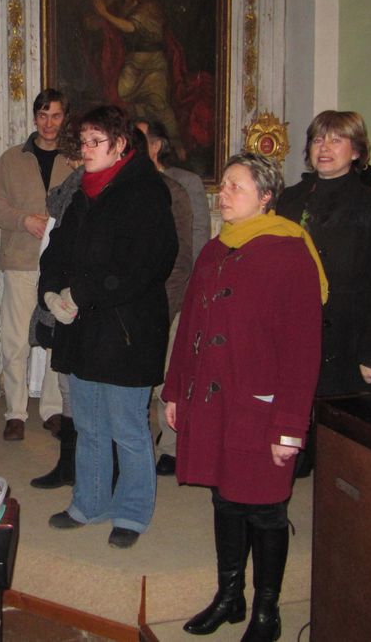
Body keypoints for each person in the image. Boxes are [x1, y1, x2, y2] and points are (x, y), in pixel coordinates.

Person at [164, 152, 325, 640]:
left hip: (262, 407)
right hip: (214, 403)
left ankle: (267, 610)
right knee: (225, 501)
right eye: (225, 185)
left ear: (266, 196)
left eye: (236, 186)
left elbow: (303, 351)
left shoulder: (290, 252)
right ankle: (229, 597)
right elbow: (190, 324)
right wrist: (175, 391)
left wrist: (290, 428)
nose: (224, 194)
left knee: (266, 510)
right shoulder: (216, 249)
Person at [40, 105, 176, 549]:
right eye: (82, 142)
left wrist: (83, 293)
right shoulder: (83, 191)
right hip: (83, 328)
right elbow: (57, 249)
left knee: (128, 429)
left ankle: (133, 512)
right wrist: (53, 290)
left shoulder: (146, 192)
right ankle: (89, 502)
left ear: (120, 145)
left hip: (126, 331)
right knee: (89, 425)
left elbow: (144, 266)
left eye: (95, 141)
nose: (86, 149)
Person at [277, 111, 371, 397]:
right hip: (295, 328)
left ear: (356, 151)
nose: (324, 147)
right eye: (319, 139)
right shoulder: (290, 199)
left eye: (336, 140)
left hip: (349, 334)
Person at [0, 89, 75, 440]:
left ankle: (52, 409)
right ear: (34, 117)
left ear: (64, 117)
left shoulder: (75, 159)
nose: (49, 123)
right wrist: (24, 220)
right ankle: (15, 412)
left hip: (61, 263)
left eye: (55, 115)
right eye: (43, 115)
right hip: (21, 259)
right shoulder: (11, 159)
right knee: (16, 339)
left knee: (55, 335)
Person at [139, 117, 209, 476]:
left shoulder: (186, 183)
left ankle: (170, 445)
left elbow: (197, 239)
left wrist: (192, 292)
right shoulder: (130, 184)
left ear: (155, 145)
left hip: (179, 290)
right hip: (142, 296)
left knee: (171, 371)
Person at [92, 0, 181, 151]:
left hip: (152, 61)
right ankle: (137, 143)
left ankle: (176, 144)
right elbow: (102, 26)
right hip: (133, 61)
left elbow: (130, 27)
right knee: (123, 93)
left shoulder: (148, 9)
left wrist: (104, 14)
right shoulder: (118, 8)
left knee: (158, 101)